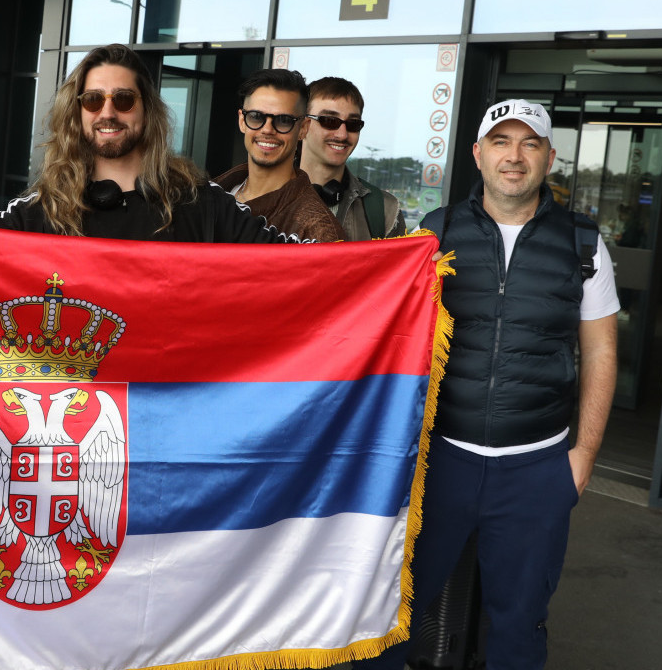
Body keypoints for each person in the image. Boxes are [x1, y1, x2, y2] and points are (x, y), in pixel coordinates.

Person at [360, 99, 619, 670]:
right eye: (501, 141)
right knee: (391, 615)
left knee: (519, 626)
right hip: (439, 461)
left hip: (536, 467)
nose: (514, 155)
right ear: (478, 154)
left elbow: (601, 351)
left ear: (550, 157)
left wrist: (583, 456)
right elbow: (395, 338)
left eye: (530, 143)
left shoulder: (583, 244)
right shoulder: (436, 232)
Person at [0, 44, 302, 243]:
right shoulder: (40, 211)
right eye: (92, 100)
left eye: (124, 99)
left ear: (147, 110)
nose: (107, 113)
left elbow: (297, 262)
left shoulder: (202, 203)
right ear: (77, 112)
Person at [212, 69, 343, 242]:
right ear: (242, 121)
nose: (267, 130)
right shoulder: (205, 195)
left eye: (283, 120)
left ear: (303, 128)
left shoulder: (319, 231)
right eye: (256, 117)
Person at [300, 76, 405, 240]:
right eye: (330, 121)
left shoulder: (385, 210)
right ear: (302, 126)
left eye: (353, 124)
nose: (342, 135)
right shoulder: (263, 197)